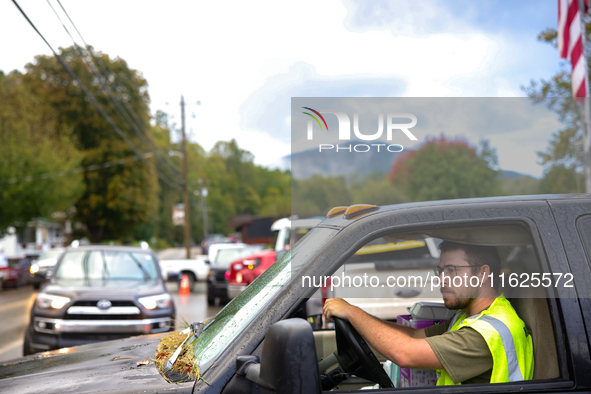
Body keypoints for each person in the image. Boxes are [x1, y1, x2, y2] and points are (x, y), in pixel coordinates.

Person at [323, 241, 534, 385]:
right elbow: (413, 336)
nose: (442, 280)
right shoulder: (473, 317)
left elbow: (406, 354)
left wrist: (351, 312)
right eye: (441, 271)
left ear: (482, 273)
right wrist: (359, 316)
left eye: (452, 270)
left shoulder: (483, 335)